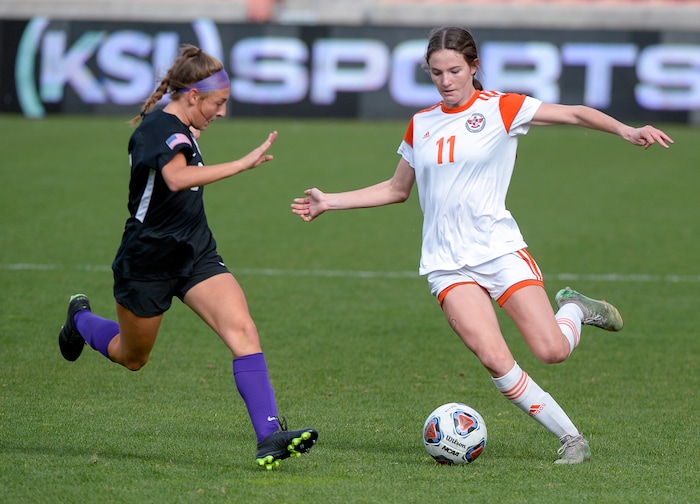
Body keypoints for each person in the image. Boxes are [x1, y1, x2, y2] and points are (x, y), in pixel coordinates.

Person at [291, 26, 673, 464]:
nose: (446, 80)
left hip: (498, 250)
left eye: (455, 70)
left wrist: (626, 130)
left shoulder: (502, 108)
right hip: (446, 265)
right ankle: (572, 439)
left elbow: (574, 114)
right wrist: (329, 202)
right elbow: (398, 189)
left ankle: (575, 310)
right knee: (494, 358)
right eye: (436, 73)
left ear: (474, 67)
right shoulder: (422, 123)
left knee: (551, 351)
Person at [58, 44, 317, 470]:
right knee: (132, 356)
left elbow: (183, 148)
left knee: (243, 331)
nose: (222, 113)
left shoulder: (183, 126)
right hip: (146, 262)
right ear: (193, 96)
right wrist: (242, 164)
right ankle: (80, 320)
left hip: (195, 251)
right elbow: (175, 178)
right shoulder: (154, 132)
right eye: (218, 103)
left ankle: (269, 435)